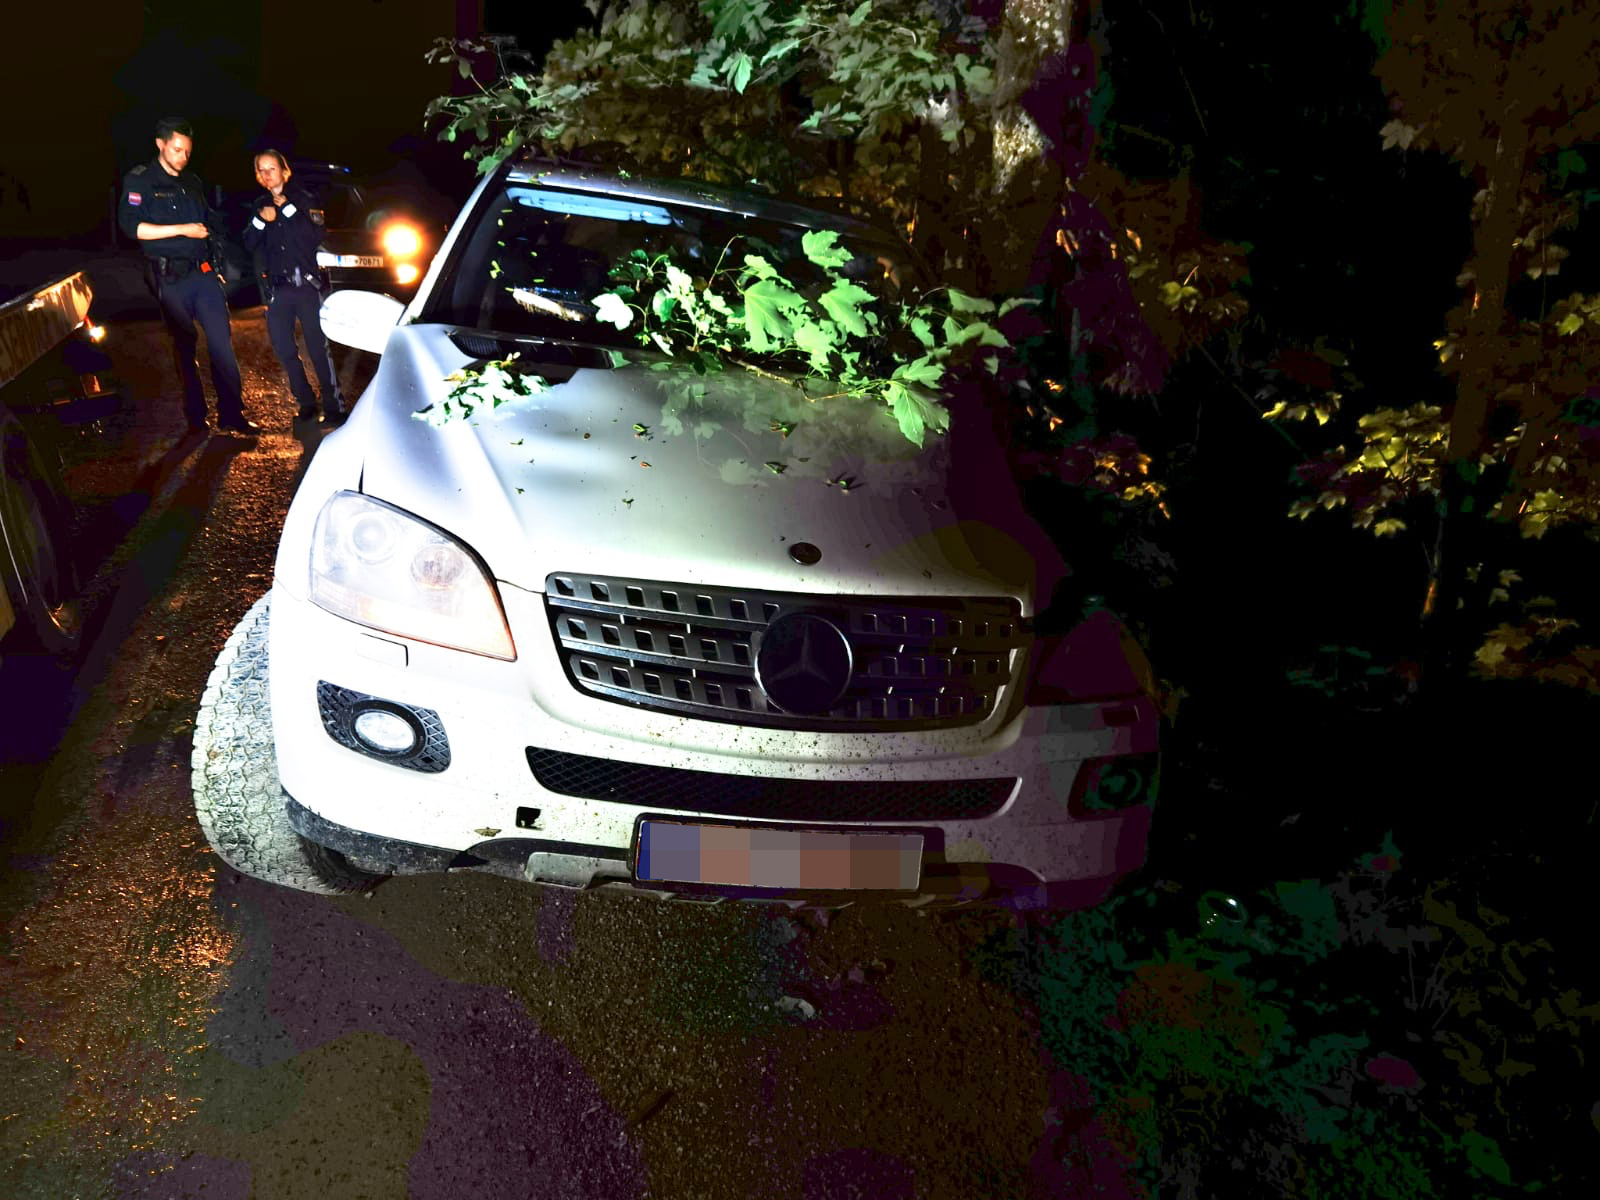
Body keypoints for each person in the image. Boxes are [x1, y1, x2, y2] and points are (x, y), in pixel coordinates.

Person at [117, 117, 258, 435]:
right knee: (185, 347)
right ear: (160, 144)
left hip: (203, 275)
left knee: (222, 343)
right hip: (169, 278)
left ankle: (232, 414)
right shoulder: (140, 181)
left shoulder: (192, 181)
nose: (182, 157)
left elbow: (209, 225)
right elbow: (132, 227)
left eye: (187, 152)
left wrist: (218, 260)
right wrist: (183, 229)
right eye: (177, 149)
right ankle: (196, 417)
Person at [242, 150, 346, 427]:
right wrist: (261, 220)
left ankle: (334, 406)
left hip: (307, 287)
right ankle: (306, 403)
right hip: (279, 290)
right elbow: (250, 242)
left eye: (271, 169)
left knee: (317, 348)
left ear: (284, 171)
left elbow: (315, 236)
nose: (266, 174)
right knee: (284, 349)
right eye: (261, 170)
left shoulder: (304, 198)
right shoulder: (260, 204)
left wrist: (287, 209)